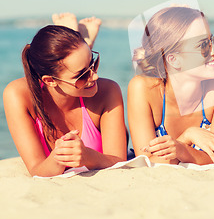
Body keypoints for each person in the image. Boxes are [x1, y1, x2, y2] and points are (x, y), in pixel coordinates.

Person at [3, 25, 127, 177]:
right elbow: (36, 169)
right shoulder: (18, 95)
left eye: (93, 63)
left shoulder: (108, 91)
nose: (94, 76)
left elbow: (120, 160)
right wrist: (60, 158)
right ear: (50, 81)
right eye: (82, 75)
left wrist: (88, 156)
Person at [127, 6, 214, 166]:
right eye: (203, 45)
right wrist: (188, 137)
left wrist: (180, 149)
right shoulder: (143, 89)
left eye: (212, 40)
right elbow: (146, 163)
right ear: (173, 59)